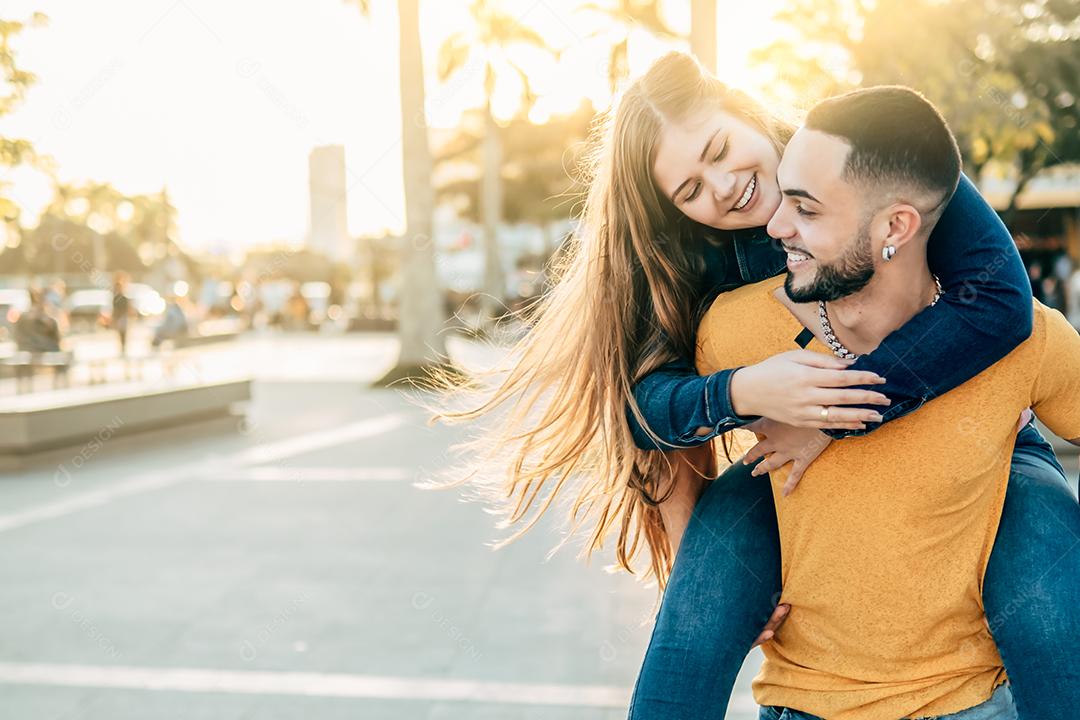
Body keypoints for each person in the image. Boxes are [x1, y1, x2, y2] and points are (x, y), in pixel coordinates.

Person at [429, 52, 1076, 717]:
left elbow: (999, 298)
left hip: (972, 432)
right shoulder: (686, 259)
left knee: (1052, 616)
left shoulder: (861, 154)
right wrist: (741, 393)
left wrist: (833, 413)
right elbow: (643, 411)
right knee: (691, 630)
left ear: (746, 109)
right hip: (781, 451)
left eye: (718, 149)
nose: (722, 187)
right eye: (689, 191)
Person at [690, 85, 1080, 720]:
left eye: (806, 210)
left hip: (977, 706)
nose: (775, 226)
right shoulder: (733, 330)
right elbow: (658, 437)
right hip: (800, 708)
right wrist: (706, 578)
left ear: (896, 226)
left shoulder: (1023, 340)